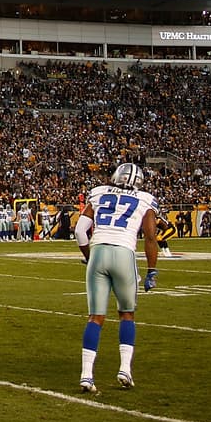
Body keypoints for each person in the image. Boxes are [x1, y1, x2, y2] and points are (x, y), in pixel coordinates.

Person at [74, 162, 159, 394]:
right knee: (127, 314)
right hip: (124, 253)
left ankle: (86, 375)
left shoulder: (100, 192)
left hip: (99, 251)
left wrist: (89, 257)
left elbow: (80, 231)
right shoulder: (145, 199)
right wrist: (152, 270)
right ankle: (124, 369)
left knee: (95, 317)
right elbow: (150, 238)